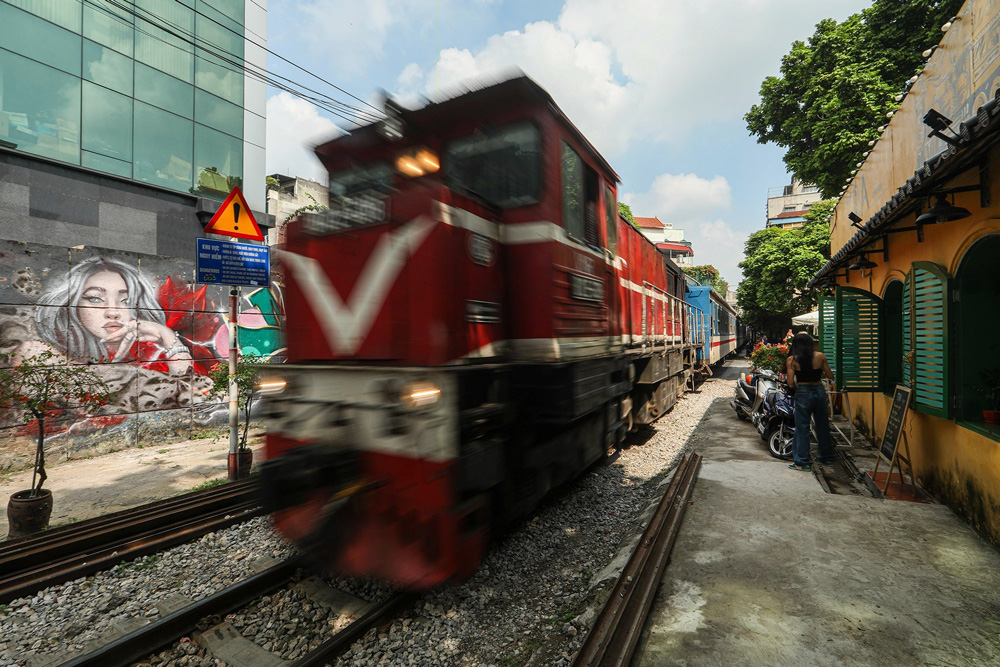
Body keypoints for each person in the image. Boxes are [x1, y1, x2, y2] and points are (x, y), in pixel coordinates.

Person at [15, 257, 193, 375]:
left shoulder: (150, 353)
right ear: (71, 304)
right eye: (95, 298)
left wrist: (168, 337)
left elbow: (192, 394)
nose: (113, 312)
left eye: (126, 300)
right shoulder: (39, 353)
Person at [785, 331, 834, 471]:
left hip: (803, 392)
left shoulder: (792, 360)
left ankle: (803, 462)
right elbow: (830, 375)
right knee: (822, 425)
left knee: (802, 427)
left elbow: (790, 382)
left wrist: (797, 388)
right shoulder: (820, 356)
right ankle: (827, 457)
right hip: (819, 391)